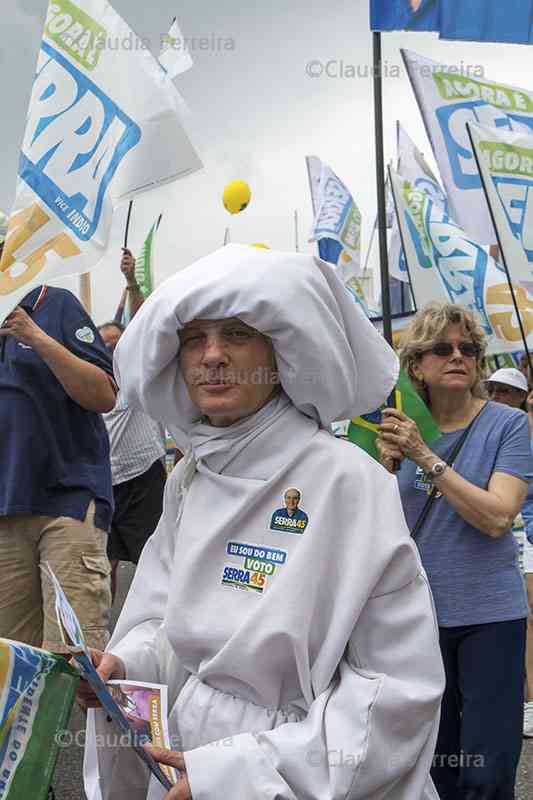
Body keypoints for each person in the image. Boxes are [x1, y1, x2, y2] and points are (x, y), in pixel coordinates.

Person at [81, 244, 445, 800]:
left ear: (281, 355)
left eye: (237, 335)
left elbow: (395, 690)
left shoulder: (347, 479)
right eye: (194, 338)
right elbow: (167, 621)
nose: (213, 356)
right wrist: (123, 664)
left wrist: (241, 775)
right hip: (185, 763)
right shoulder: (189, 478)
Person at [377, 303, 532, 800]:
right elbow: (369, 527)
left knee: (486, 772)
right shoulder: (389, 431)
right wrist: (381, 469)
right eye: (442, 348)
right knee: (433, 766)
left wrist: (424, 456)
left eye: (468, 348)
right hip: (415, 618)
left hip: (490, 615)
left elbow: (496, 516)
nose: (458, 355)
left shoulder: (508, 424)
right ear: (416, 364)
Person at [0, 285, 116, 653]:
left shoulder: (53, 303)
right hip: (5, 512)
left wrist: (34, 336)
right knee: (13, 665)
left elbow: (103, 395)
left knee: (74, 658)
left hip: (68, 503)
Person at [96, 245, 167, 600]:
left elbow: (144, 326)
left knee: (150, 562)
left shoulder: (138, 376)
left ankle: (157, 629)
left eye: (118, 344)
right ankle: (105, 632)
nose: (112, 351)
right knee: (100, 564)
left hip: (143, 480)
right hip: (103, 485)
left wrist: (131, 282)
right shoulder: (87, 385)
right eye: (104, 345)